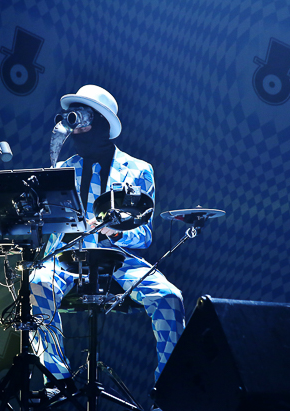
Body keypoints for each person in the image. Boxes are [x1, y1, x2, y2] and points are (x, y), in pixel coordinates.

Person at [29, 84, 185, 388]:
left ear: (100, 122)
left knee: (169, 297)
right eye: (72, 120)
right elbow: (50, 231)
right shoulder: (63, 169)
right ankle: (57, 380)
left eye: (83, 119)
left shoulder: (138, 170)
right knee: (36, 285)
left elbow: (144, 235)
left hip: (119, 260)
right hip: (66, 258)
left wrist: (114, 230)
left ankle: (168, 390)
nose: (75, 129)